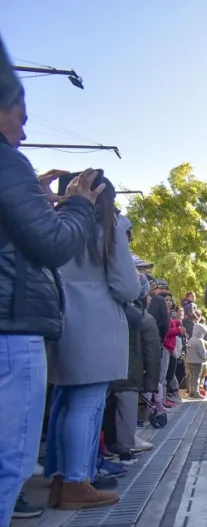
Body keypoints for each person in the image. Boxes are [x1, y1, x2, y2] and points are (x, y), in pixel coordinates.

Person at [0, 41, 107, 527]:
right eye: (19, 111)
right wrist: (76, 206)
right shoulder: (7, 163)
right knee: (10, 458)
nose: (25, 126)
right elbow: (52, 244)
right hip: (11, 325)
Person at [46, 176, 141, 508]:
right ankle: (77, 481)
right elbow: (128, 287)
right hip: (97, 326)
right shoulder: (106, 232)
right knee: (87, 406)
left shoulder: (58, 226)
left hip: (62, 323)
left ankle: (60, 479)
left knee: (65, 405)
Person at [106, 283, 161, 463]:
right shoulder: (143, 317)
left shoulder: (106, 310)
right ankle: (125, 451)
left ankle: (105, 449)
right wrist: (151, 382)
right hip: (129, 373)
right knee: (126, 414)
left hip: (104, 372)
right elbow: (152, 352)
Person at [185, 310, 207, 400]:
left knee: (191, 378)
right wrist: (206, 358)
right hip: (197, 362)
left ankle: (191, 392)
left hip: (189, 361)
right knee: (197, 378)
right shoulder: (200, 341)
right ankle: (196, 393)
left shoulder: (191, 339)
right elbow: (202, 353)